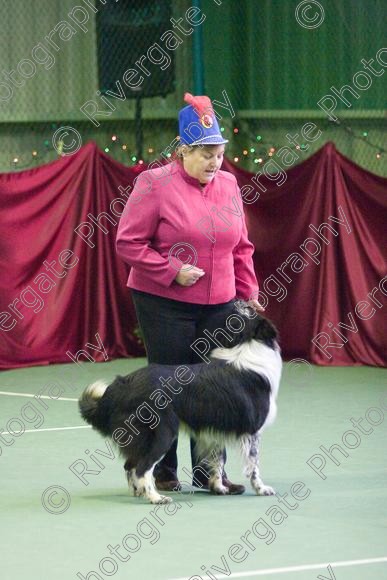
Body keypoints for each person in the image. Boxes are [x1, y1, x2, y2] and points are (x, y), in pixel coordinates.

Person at [116, 92, 264, 495]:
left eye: (219, 153)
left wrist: (248, 289)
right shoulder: (154, 184)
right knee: (169, 384)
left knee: (216, 386)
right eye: (205, 154)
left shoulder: (230, 184)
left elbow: (241, 245)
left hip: (221, 304)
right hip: (164, 303)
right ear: (183, 151)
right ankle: (162, 469)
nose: (215, 162)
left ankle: (210, 471)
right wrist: (171, 271)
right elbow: (128, 243)